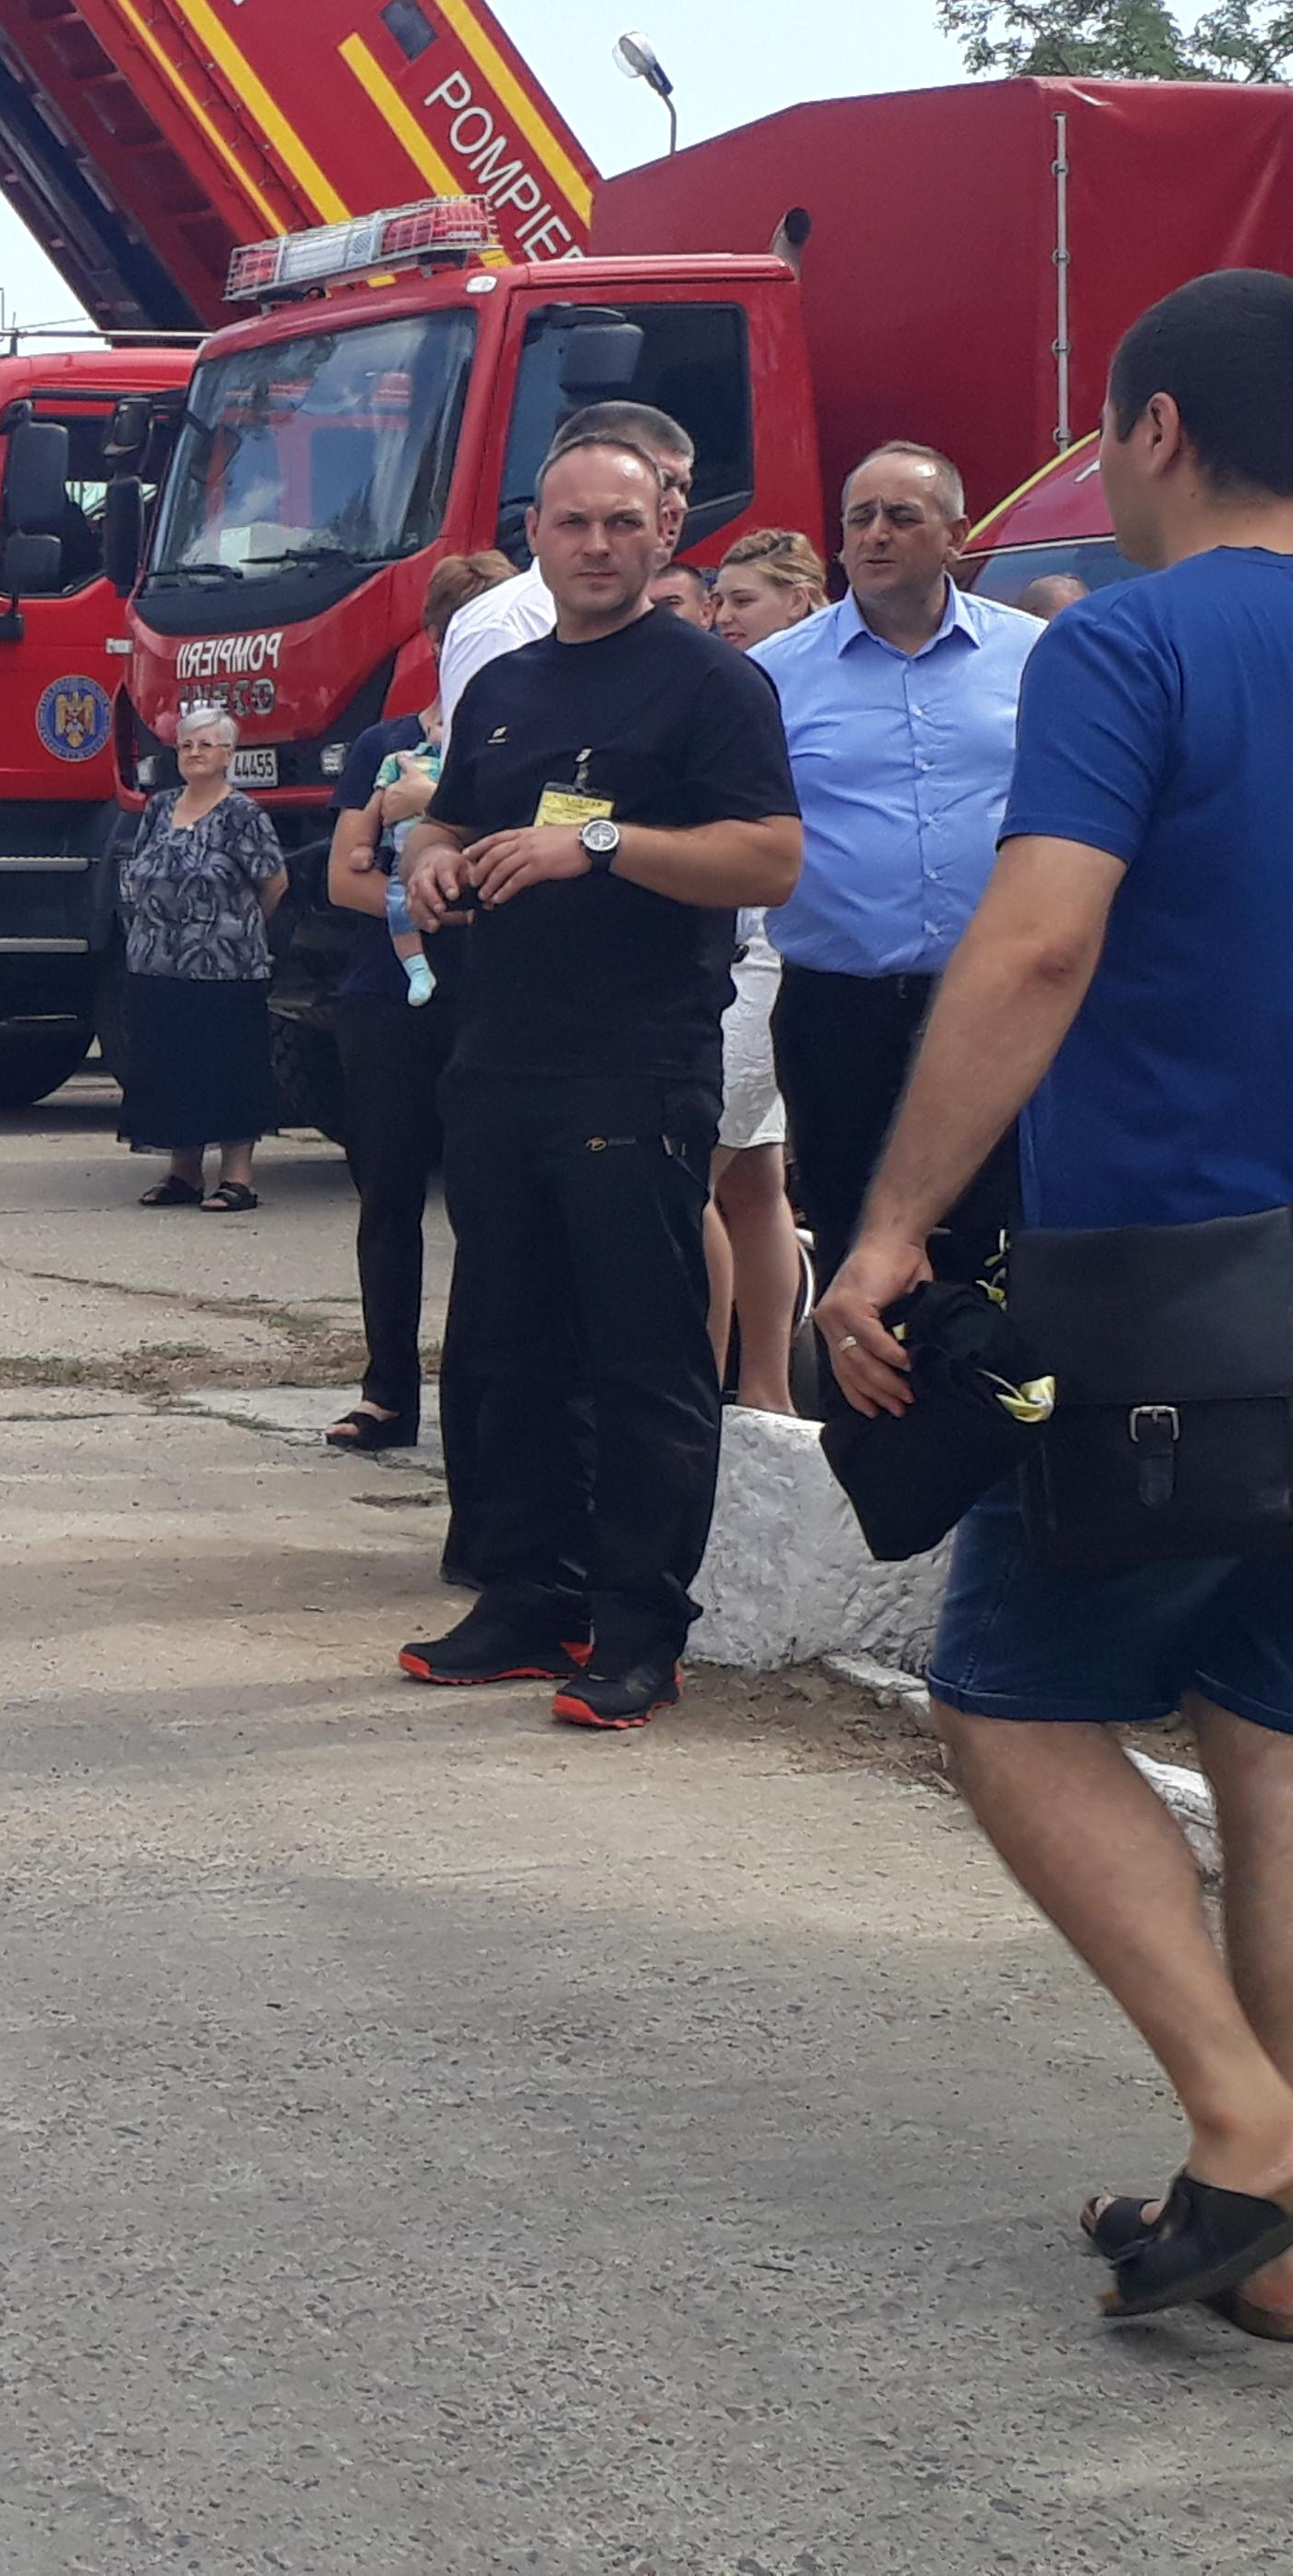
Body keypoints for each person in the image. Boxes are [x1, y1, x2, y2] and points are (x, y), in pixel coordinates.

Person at [816, 268, 1293, 2334]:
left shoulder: (1131, 647)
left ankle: (1245, 2128)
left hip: (1175, 1295)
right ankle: (1283, 2245)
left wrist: (896, 1219)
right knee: (1275, 1735)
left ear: (1156, 434)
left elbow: (1029, 950)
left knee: (1012, 1698)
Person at [395, 428, 800, 1730]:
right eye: (574, 525)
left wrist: (607, 846)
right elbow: (452, 814)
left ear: (663, 533)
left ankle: (639, 1630)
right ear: (539, 537)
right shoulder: (508, 681)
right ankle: (526, 1596)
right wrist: (427, 860)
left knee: (639, 1357)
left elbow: (772, 860)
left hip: (635, 1062)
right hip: (500, 1053)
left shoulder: (709, 684)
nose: (598, 546)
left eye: (624, 524)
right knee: (507, 1349)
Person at [752, 445, 1041, 1293]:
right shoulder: (771, 676)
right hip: (838, 1006)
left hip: (992, 998)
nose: (876, 536)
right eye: (859, 519)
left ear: (955, 534)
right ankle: (867, 1422)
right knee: (851, 1227)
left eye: (902, 517)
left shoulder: (1037, 656)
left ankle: (999, 1411)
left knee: (1003, 1236)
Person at [320, 549, 517, 1447]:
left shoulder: (527, 744)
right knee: (389, 1195)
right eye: (458, 628)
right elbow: (342, 876)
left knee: (492, 1205)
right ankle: (387, 1390)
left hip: (499, 994)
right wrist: (433, 908)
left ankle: (485, 1406)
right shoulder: (383, 745)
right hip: (389, 992)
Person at [701, 528, 832, 1413]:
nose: (722, 616)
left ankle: (711, 1381)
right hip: (737, 942)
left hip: (772, 952)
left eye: (743, 600)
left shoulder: (809, 688)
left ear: (801, 601)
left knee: (698, 1175)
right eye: (717, 600)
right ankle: (764, 1391)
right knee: (752, 1178)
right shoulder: (728, 686)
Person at [433, 401, 702, 739]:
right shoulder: (506, 626)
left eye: (684, 488)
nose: (679, 505)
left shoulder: (715, 677)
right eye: (664, 481)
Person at [115, 705, 288, 1212]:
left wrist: (233, 928)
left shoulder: (243, 815)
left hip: (225, 966)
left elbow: (274, 882)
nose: (195, 753)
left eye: (207, 744)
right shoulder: (158, 807)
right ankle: (182, 1173)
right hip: (156, 963)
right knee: (169, 1066)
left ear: (229, 755)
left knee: (227, 1066)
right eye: (188, 745)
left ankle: (237, 1178)